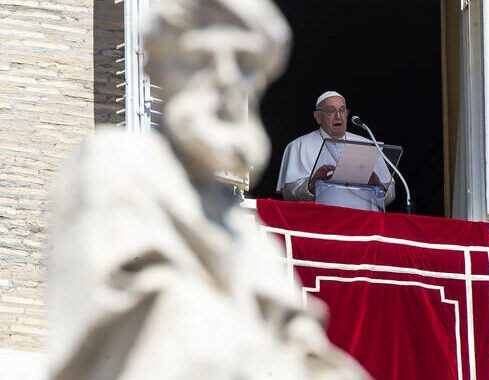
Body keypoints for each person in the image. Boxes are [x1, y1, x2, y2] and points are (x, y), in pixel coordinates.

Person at [48, 0, 369, 379]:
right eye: (201, 57)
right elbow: (152, 323)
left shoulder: (240, 227)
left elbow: (302, 341)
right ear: (159, 69)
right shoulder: (116, 164)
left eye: (247, 64)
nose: (228, 79)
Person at [276, 91, 396, 207]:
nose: (338, 116)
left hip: (362, 219)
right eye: (331, 111)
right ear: (317, 117)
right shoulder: (299, 145)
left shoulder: (368, 144)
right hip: (319, 220)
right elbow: (289, 195)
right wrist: (312, 184)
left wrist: (379, 187)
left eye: (342, 110)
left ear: (347, 114)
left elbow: (390, 192)